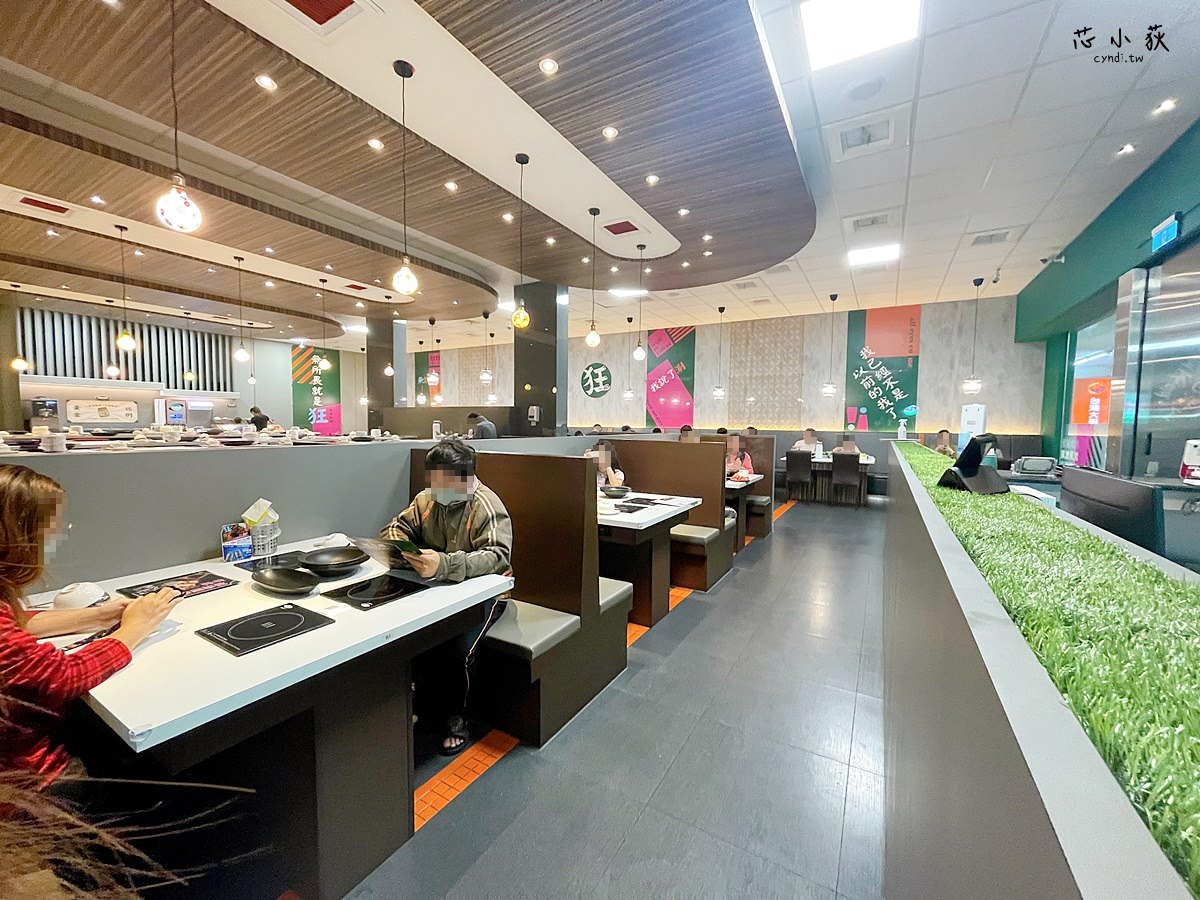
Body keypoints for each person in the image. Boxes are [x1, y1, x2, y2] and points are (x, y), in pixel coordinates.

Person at [0, 465, 181, 786]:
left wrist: (99, 616)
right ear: (20, 536)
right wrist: (135, 629)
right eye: (53, 529)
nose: (59, 537)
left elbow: (16, 622)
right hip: (30, 780)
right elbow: (63, 677)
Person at [380, 440, 513, 756]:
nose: (435, 488)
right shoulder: (426, 500)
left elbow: (497, 556)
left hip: (489, 596)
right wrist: (406, 551)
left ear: (465, 479)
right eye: (433, 480)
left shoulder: (485, 505)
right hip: (440, 592)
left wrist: (443, 564)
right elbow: (394, 529)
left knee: (456, 648)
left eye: (444, 482)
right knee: (413, 636)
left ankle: (457, 718)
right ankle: (423, 707)